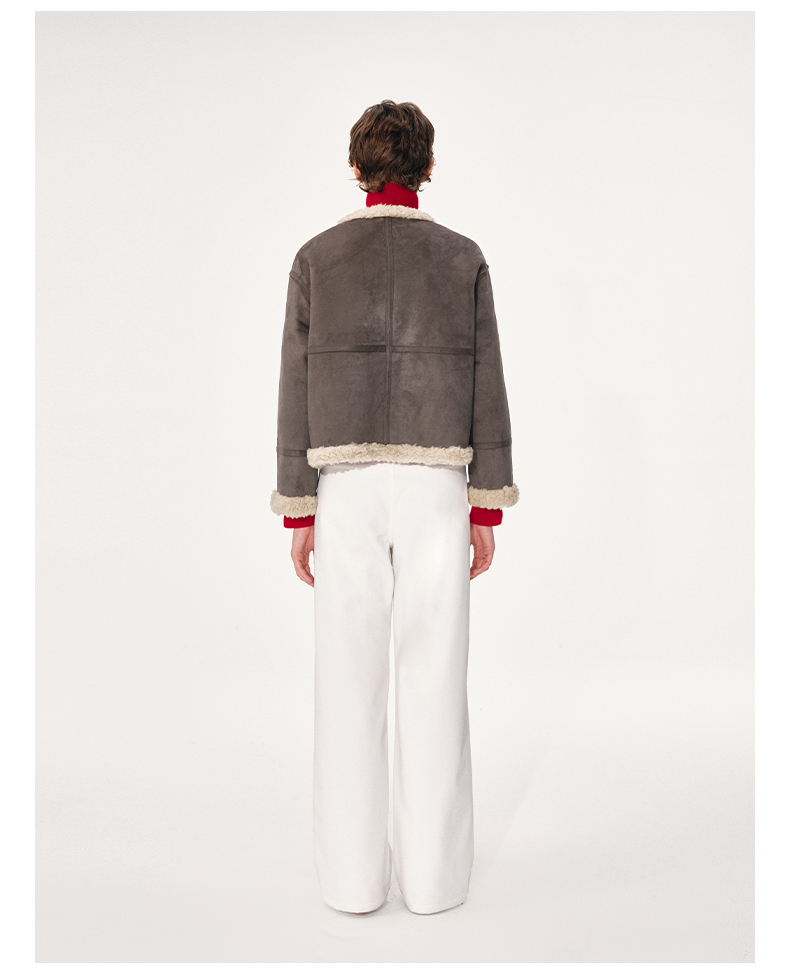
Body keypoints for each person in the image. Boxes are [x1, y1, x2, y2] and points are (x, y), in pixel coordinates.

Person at [271, 99, 518, 916]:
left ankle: (349, 886)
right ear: (428, 167)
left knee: (346, 684)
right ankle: (436, 886)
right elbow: (487, 383)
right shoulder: (462, 258)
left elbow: (295, 386)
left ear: (356, 168)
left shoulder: (315, 258)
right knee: (435, 677)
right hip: (436, 484)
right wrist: (486, 507)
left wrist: (300, 510)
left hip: (344, 488)